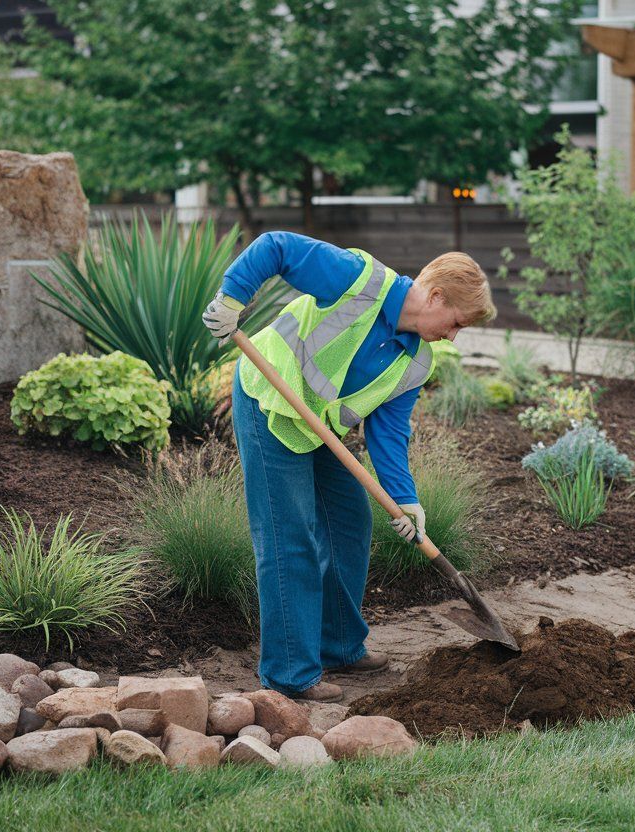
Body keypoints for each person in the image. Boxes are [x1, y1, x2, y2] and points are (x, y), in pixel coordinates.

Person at [202, 231, 495, 702]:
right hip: (271, 399)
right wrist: (231, 298)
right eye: (457, 323)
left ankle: (337, 645)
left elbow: (389, 434)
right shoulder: (358, 280)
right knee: (289, 534)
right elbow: (276, 246)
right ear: (436, 297)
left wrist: (406, 501)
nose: (454, 337)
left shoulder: (417, 360)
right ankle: (289, 673)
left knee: (350, 522)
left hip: (318, 425)